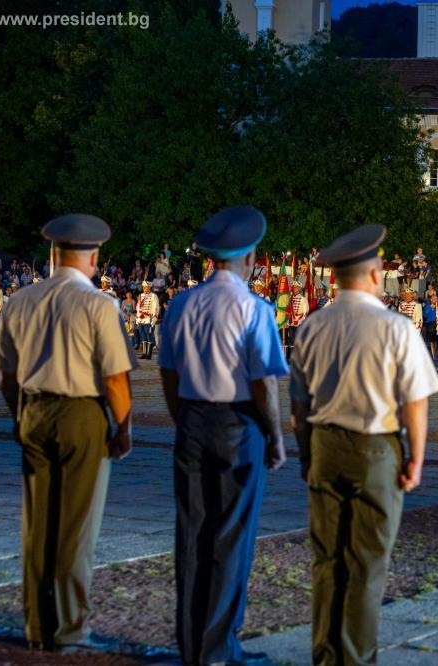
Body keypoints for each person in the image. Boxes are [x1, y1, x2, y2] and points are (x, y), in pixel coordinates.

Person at [289, 224, 438, 665]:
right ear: (375, 274)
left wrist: (306, 454)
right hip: (375, 448)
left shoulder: (311, 326)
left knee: (326, 561)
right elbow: (415, 402)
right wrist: (415, 458)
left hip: (323, 446)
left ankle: (325, 655)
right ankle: (355, 658)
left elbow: (298, 405)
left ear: (336, 277)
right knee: (367, 562)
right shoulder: (396, 327)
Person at [0, 214, 136, 652]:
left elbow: (6, 374)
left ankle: (38, 626)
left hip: (34, 409)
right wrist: (123, 427)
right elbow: (114, 379)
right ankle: (70, 628)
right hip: (82, 416)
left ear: (53, 254)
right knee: (76, 526)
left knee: (37, 525)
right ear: (93, 256)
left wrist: (22, 416)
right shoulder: (98, 305)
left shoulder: (20, 300)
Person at [158, 206, 288, 665]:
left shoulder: (181, 303)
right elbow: (263, 382)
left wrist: (183, 419)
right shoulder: (254, 308)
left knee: (192, 531)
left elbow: (168, 373)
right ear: (250, 258)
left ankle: (192, 644)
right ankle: (219, 648)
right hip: (237, 422)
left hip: (192, 417)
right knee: (231, 535)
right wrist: (274, 436)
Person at [136, 280, 159, 359]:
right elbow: (138, 307)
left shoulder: (153, 296)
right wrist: (137, 317)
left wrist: (154, 318)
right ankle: (144, 353)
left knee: (149, 335)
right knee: (143, 336)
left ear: (149, 287)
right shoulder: (141, 295)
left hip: (149, 319)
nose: (144, 288)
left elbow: (156, 308)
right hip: (141, 319)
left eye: (145, 287)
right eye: (143, 287)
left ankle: (149, 354)